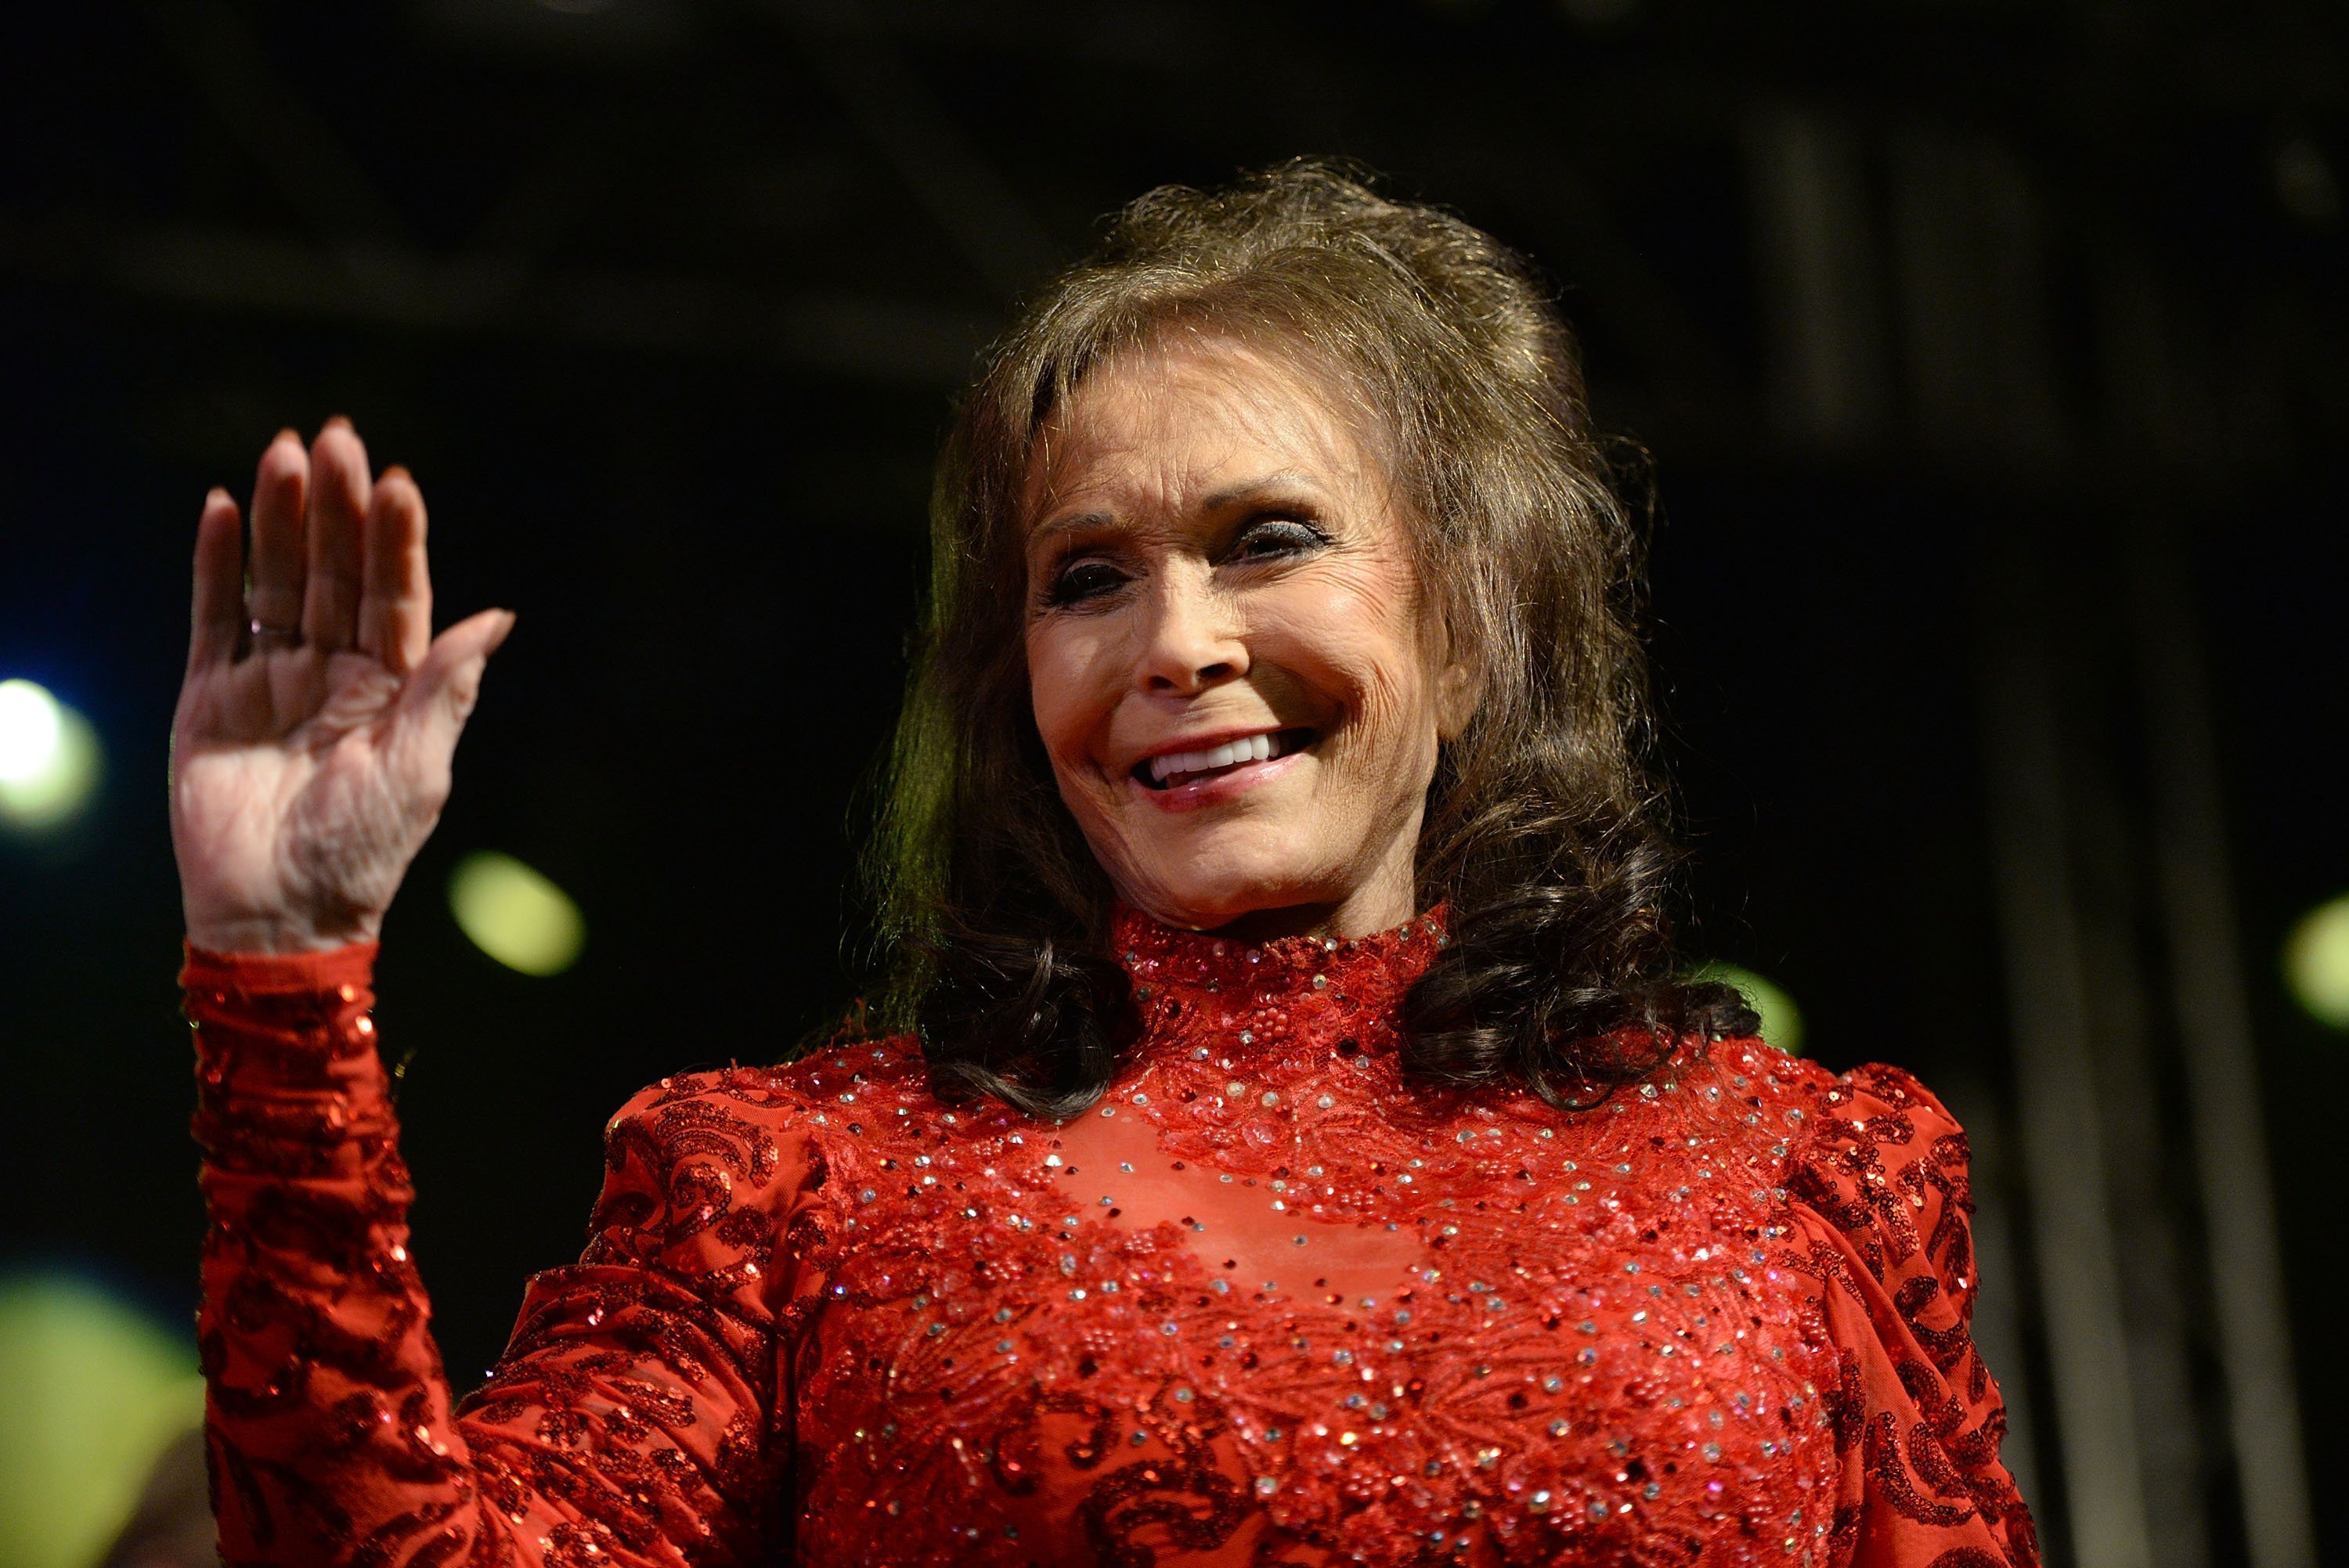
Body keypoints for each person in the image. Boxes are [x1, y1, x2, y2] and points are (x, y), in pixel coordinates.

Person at [174, 162, 2037, 1567]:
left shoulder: (1803, 1181)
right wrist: (279, 982)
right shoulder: (796, 1196)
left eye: (1268, 540)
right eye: (1086, 578)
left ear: (1476, 625)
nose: (1175, 643)